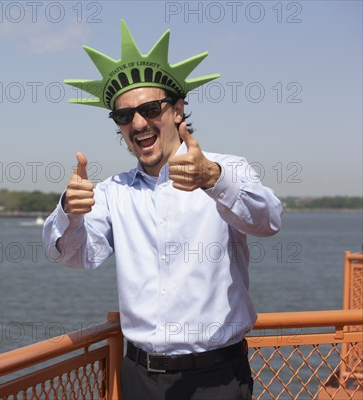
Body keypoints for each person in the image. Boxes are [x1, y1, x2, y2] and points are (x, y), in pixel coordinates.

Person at [42, 20, 282, 399]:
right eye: (124, 116)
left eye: (151, 108)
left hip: (218, 378)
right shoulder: (112, 192)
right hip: (140, 377)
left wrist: (214, 179)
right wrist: (69, 211)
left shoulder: (227, 169)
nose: (138, 122)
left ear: (177, 109)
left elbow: (269, 221)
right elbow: (73, 257)